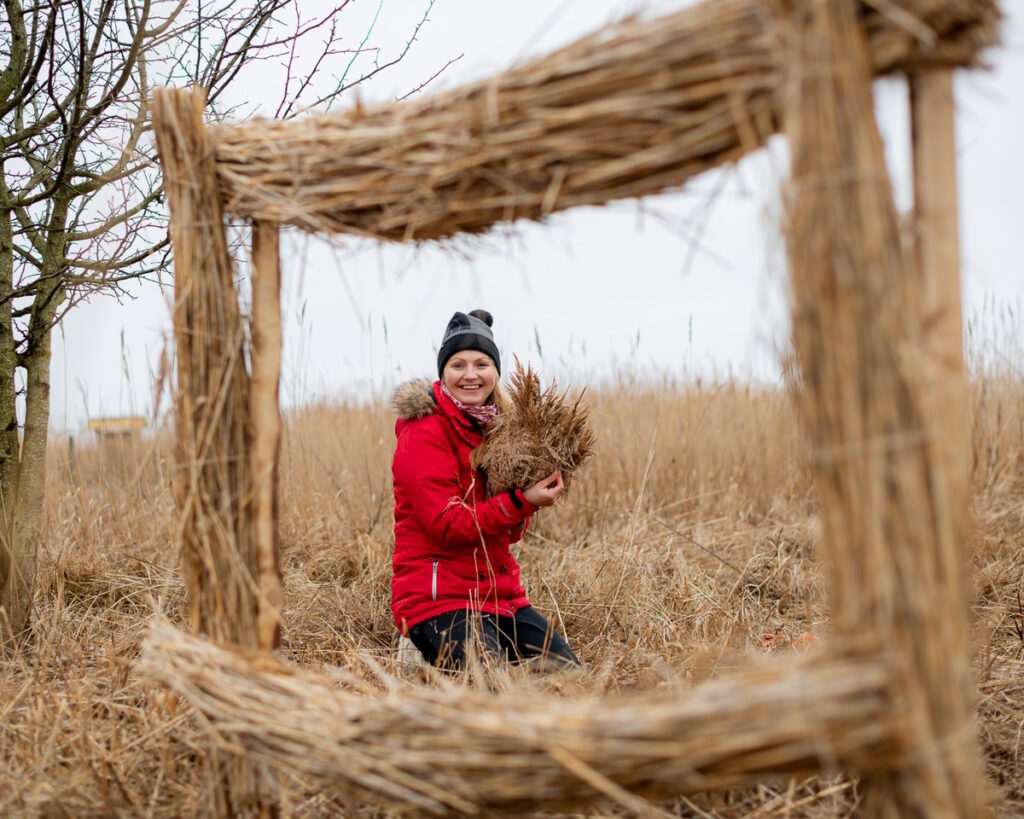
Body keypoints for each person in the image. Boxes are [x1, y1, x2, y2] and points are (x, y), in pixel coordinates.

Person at [390, 309, 579, 670]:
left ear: (495, 371)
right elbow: (447, 524)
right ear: (443, 373)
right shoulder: (424, 432)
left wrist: (532, 493)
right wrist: (521, 501)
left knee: (567, 675)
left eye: (481, 364)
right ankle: (417, 648)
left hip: (499, 596)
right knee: (490, 684)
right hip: (437, 601)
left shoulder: (499, 432)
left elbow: (509, 534)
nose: (471, 374)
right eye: (458, 365)